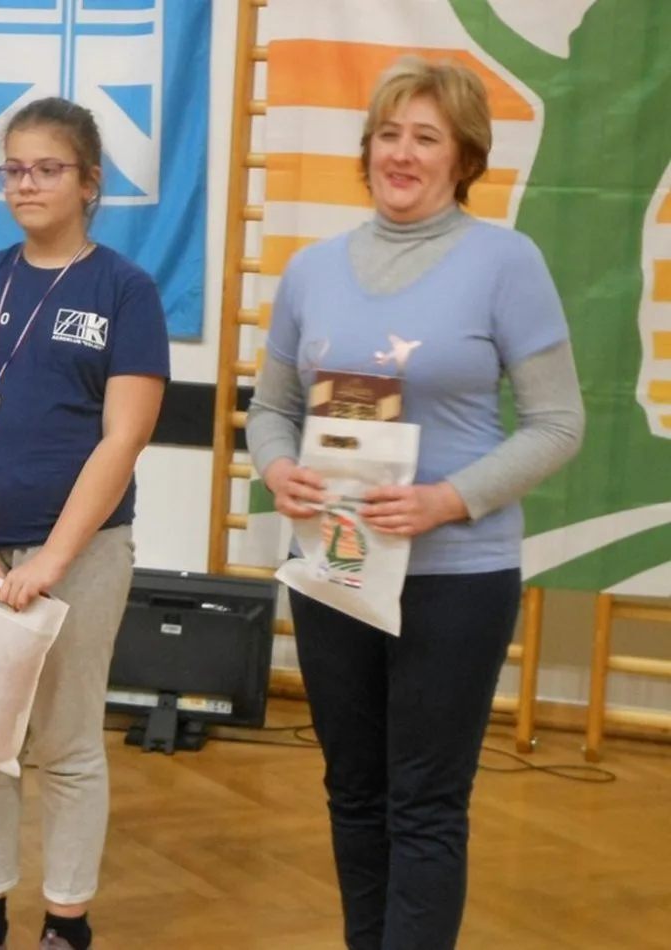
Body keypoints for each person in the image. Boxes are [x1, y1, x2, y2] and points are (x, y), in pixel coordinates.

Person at [246, 56, 585, 950]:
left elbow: (560, 424)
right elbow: (271, 410)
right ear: (367, 149)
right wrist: (277, 469)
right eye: (388, 134)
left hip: (457, 579)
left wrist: (447, 500)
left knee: (426, 804)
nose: (402, 153)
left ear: (464, 157)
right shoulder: (312, 270)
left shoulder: (507, 263)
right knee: (353, 792)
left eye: (426, 137)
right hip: (337, 569)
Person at [0, 97, 170, 950]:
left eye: (47, 169)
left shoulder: (125, 290)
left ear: (89, 182)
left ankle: (67, 922)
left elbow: (124, 437)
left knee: (66, 744)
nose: (26, 184)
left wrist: (53, 561)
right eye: (14, 170)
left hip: (83, 554)